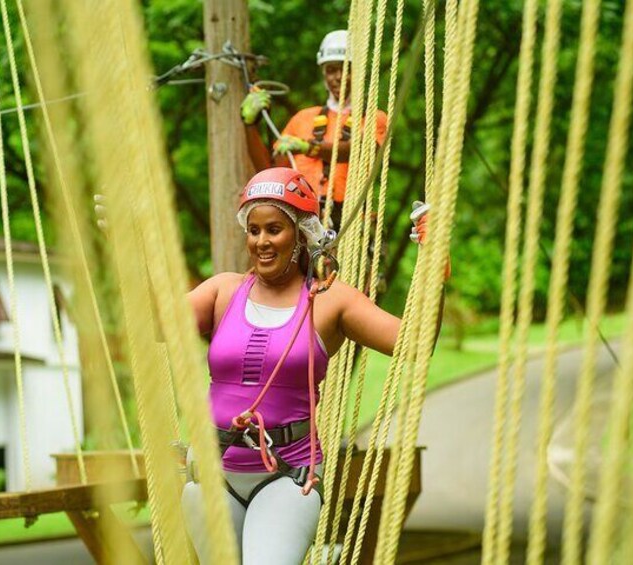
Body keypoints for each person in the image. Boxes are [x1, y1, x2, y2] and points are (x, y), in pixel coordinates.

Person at [179, 167, 442, 565]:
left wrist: (436, 264)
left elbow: (416, 343)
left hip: (286, 476)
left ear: (302, 234)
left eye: (274, 229)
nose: (262, 242)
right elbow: (155, 323)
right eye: (254, 230)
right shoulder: (222, 291)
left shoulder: (330, 301)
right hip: (212, 475)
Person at [240, 30, 388, 229]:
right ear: (323, 73)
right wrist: (250, 125)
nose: (338, 77)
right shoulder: (303, 119)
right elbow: (270, 175)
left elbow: (358, 152)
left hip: (351, 218)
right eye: (331, 70)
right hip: (305, 217)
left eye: (346, 69)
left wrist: (307, 147)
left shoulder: (373, 118)